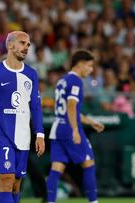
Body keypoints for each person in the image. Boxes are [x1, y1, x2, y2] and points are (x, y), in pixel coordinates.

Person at [0, 31, 45, 203]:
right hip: (2, 135)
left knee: (16, 184)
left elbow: (36, 107)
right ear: (10, 45)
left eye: (28, 45)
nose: (26, 48)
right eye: (22, 43)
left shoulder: (32, 74)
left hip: (23, 136)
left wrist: (40, 134)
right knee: (6, 180)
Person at [45, 50, 105, 203]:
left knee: (57, 168)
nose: (91, 70)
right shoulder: (76, 81)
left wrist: (90, 122)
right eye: (90, 66)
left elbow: (68, 110)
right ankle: (93, 201)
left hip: (57, 128)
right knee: (89, 163)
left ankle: (50, 201)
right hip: (69, 128)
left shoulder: (62, 81)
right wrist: (75, 130)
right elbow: (71, 107)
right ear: (81, 64)